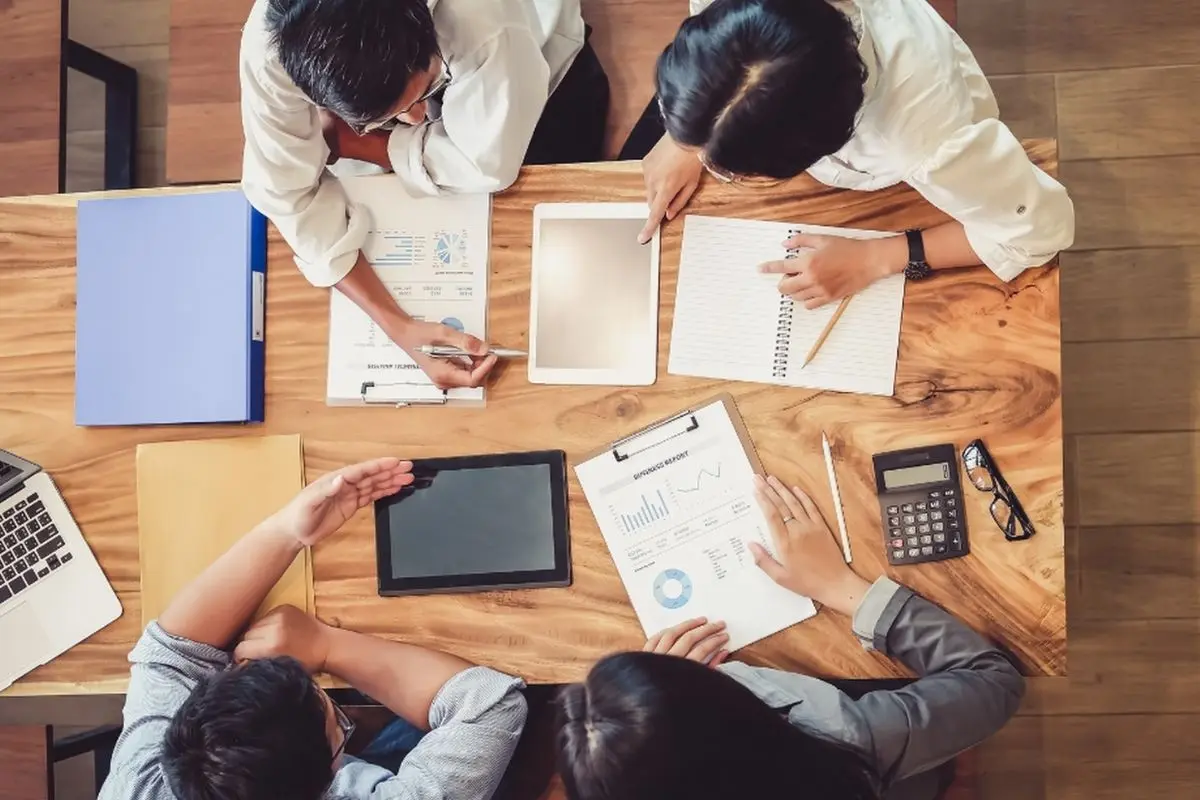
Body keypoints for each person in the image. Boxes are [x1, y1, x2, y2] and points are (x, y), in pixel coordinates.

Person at [555, 474, 1026, 800]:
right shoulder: (845, 739)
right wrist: (841, 588)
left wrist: (645, 718)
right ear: (734, 714)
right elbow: (993, 680)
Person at [98, 457, 528, 800]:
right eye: (330, 713)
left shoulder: (141, 786)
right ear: (331, 771)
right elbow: (490, 704)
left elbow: (171, 654)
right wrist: (326, 645)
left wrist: (285, 531)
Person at [240, 0, 610, 388]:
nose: (418, 120)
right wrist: (398, 327)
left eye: (425, 92)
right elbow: (286, 194)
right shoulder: (271, 49)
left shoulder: (479, 21)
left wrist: (360, 143)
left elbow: (488, 163)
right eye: (387, 118)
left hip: (531, 53)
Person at [624, 0, 1075, 309]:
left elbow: (1037, 232)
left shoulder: (926, 141)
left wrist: (875, 258)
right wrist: (697, 125)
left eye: (736, 171)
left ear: (822, 142)